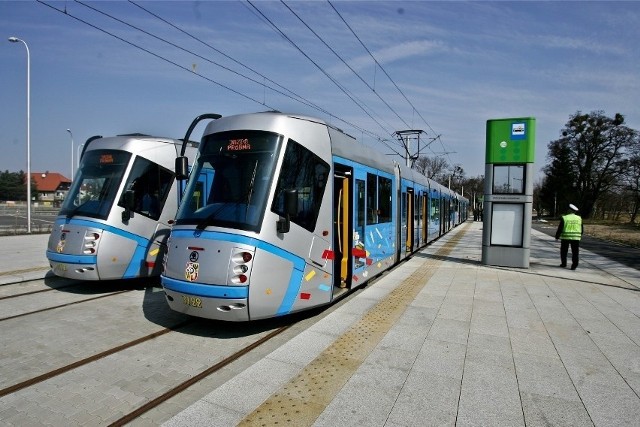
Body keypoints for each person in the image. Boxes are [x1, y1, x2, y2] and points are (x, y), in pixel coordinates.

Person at [555, 203, 583, 270]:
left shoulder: (565, 218)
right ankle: (574, 266)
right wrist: (580, 235)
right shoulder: (579, 218)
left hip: (565, 237)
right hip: (576, 238)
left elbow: (560, 228)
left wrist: (557, 236)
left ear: (569, 210)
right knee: (575, 252)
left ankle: (564, 263)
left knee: (564, 251)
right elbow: (582, 229)